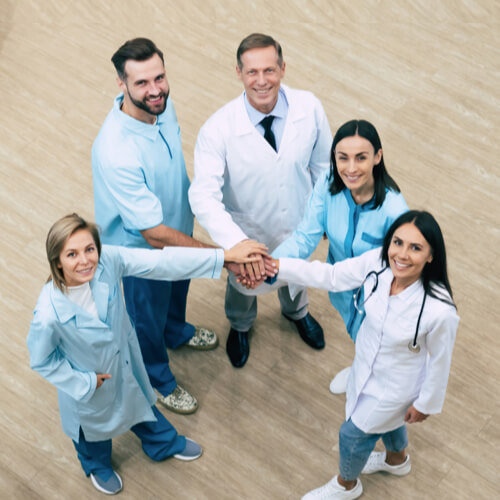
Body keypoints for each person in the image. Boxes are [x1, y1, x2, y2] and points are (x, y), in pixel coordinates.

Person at [27, 214, 267, 495]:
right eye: (72, 254)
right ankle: (97, 465)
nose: (85, 261)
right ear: (57, 261)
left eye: (89, 249)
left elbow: (161, 262)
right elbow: (42, 360)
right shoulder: (48, 314)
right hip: (89, 387)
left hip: (124, 365)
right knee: (92, 436)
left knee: (140, 405)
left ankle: (163, 443)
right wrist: (87, 383)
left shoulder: (107, 262)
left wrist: (223, 258)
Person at [268, 210, 459, 500]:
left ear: (431, 256)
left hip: (396, 388)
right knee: (384, 423)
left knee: (352, 434)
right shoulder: (378, 264)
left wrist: (425, 404)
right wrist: (277, 267)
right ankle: (397, 461)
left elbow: (440, 362)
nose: (402, 255)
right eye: (398, 242)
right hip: (365, 366)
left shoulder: (439, 310)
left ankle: (346, 485)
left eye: (416, 248)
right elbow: (331, 276)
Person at [92, 38, 222, 414]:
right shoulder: (116, 150)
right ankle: (158, 379)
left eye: (159, 77)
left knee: (176, 295)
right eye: (142, 83)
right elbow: (152, 234)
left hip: (178, 233)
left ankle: (176, 331)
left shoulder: (163, 107)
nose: (155, 90)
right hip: (143, 255)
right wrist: (219, 255)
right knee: (145, 321)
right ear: (121, 84)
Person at [188, 33, 332, 368]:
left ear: (283, 68)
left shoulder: (308, 108)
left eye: (269, 70)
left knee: (295, 277)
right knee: (243, 288)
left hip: (298, 224)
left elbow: (324, 167)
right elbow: (203, 195)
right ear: (238, 73)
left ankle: (297, 313)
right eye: (252, 72)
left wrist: (322, 217)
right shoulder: (218, 129)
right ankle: (239, 326)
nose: (262, 80)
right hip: (247, 232)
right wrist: (237, 244)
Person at [272, 119, 408, 394]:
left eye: (361, 158)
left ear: (378, 157)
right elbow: (305, 236)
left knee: (378, 349)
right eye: (342, 158)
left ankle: (371, 382)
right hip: (343, 289)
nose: (351, 168)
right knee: (358, 337)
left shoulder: (394, 211)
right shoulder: (327, 183)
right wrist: (269, 264)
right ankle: (362, 366)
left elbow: (403, 272)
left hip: (379, 299)